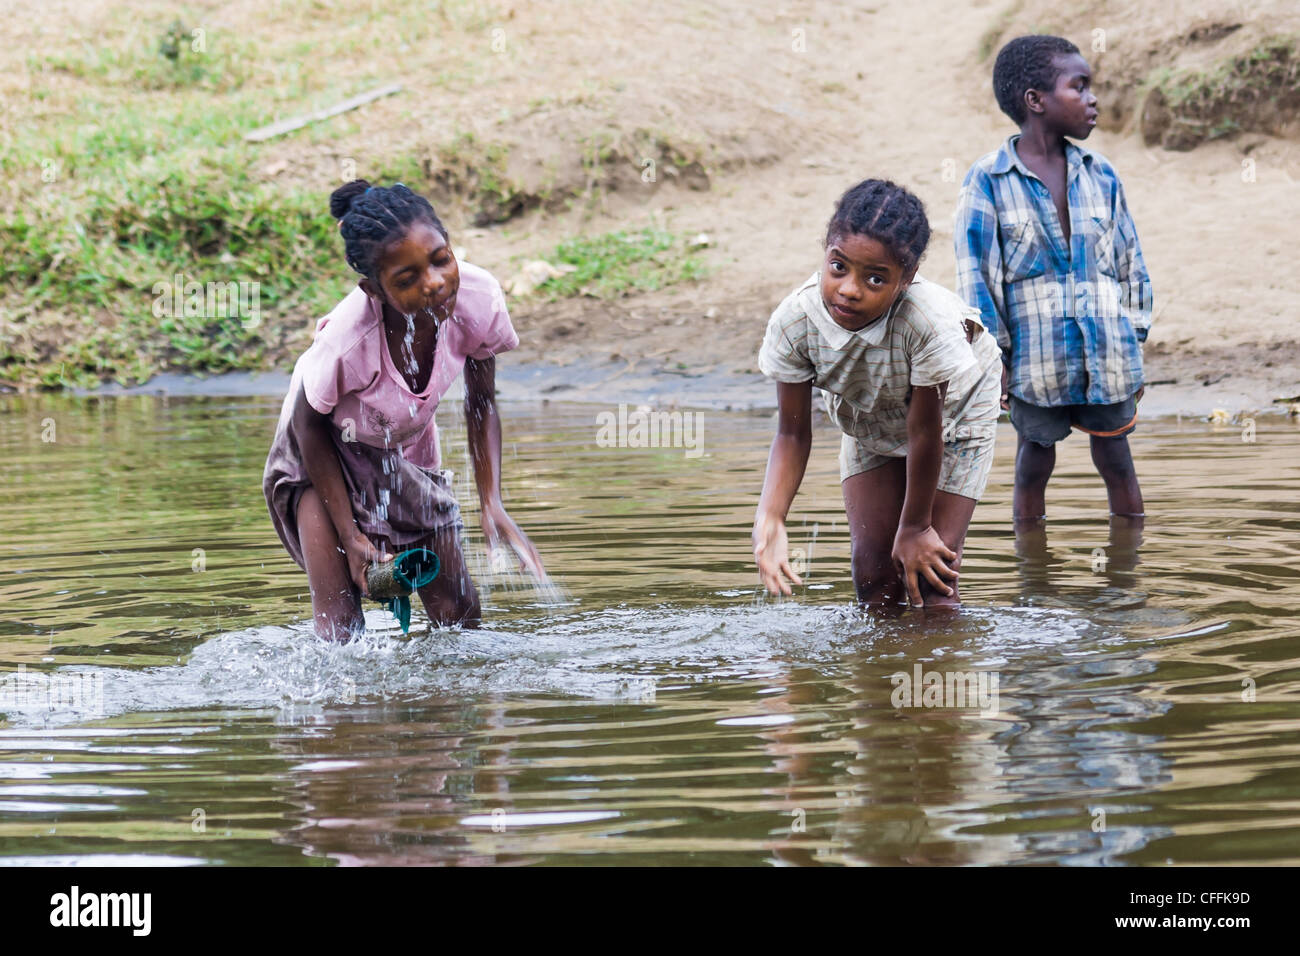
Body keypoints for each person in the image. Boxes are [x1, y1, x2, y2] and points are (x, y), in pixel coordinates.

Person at [263, 180, 544, 640]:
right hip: (318, 455)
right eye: (406, 279)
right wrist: (350, 535)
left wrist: (491, 500)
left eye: (440, 259)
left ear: (451, 245)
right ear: (373, 289)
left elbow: (482, 400)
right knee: (340, 631)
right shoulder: (348, 339)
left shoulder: (478, 298)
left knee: (460, 617)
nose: (433, 283)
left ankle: (450, 703)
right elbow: (307, 423)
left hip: (400, 448)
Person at [753, 179, 1002, 608]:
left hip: (955, 417)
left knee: (930, 580)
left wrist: (915, 528)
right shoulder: (796, 321)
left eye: (874, 278)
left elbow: (926, 432)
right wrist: (770, 516)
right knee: (874, 579)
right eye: (839, 267)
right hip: (869, 414)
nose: (850, 289)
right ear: (826, 252)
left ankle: (938, 669)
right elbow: (792, 435)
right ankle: (880, 675)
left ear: (907, 279)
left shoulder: (928, 323)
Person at [954, 34, 1154, 525]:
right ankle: (1032, 583)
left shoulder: (1101, 173)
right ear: (1036, 100)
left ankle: (1126, 577)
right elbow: (977, 278)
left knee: (1117, 459)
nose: (1092, 100)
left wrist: (1135, 338)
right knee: (1033, 462)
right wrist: (994, 355)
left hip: (1107, 351)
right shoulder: (988, 180)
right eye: (1079, 87)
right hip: (1033, 361)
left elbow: (1130, 263)